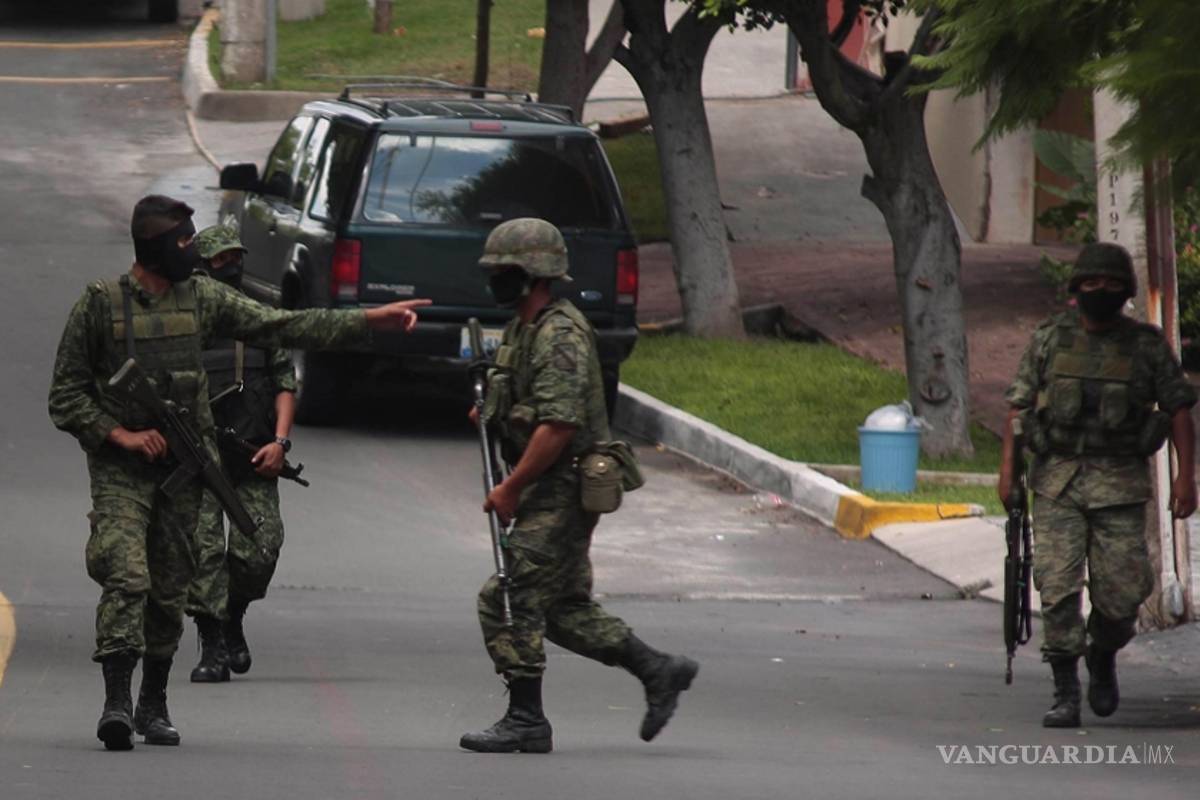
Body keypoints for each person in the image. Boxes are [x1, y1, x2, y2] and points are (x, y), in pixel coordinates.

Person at [48, 195, 428, 751]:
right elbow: (66, 396)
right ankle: (116, 702)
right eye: (183, 241)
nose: (192, 250)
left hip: (183, 467)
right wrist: (120, 435)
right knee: (127, 576)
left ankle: (153, 703)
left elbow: (281, 323)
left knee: (170, 588)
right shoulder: (101, 305)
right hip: (121, 470)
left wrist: (369, 319)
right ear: (154, 246)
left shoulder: (201, 298)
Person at [459, 217, 698, 754]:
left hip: (563, 485)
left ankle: (527, 720)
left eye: (504, 271)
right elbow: (522, 403)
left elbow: (559, 426)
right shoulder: (525, 327)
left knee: (509, 596)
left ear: (533, 274)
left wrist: (510, 488)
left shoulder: (560, 335)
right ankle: (659, 670)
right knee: (561, 608)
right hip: (545, 483)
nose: (494, 280)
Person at [999, 241, 1197, 729]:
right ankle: (1065, 690)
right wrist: (1008, 475)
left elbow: (1178, 410)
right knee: (1057, 588)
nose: (1100, 289)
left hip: (1120, 487)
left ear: (1125, 290)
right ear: (1076, 288)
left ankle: (1103, 651)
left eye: (1110, 283)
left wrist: (1185, 477)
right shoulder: (1050, 339)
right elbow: (1018, 408)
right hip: (1057, 483)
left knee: (1124, 594)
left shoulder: (1146, 346)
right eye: (1091, 282)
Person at [184, 223, 295, 683]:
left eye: (236, 257)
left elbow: (285, 383)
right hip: (198, 460)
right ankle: (211, 643)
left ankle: (233, 613)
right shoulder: (184, 322)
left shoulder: (259, 317)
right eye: (220, 259)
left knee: (260, 551)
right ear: (201, 265)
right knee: (204, 552)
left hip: (253, 456)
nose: (231, 266)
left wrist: (280, 443)